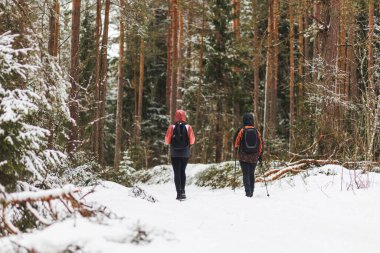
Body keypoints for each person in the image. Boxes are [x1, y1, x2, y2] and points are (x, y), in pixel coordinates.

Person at [165, 110, 195, 200]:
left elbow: (167, 140)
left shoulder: (172, 127)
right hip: (185, 153)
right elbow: (192, 140)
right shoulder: (188, 127)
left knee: (176, 173)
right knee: (182, 171)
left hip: (174, 153)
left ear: (176, 116)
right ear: (184, 116)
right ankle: (183, 192)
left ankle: (178, 194)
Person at [233, 113, 263, 197]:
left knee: (245, 174)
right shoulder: (256, 131)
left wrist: (237, 150)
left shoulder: (241, 130)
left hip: (243, 156)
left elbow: (236, 143)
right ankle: (252, 192)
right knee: (251, 173)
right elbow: (261, 144)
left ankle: (248, 193)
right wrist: (260, 155)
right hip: (254, 157)